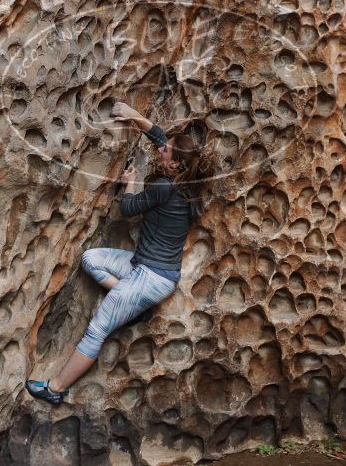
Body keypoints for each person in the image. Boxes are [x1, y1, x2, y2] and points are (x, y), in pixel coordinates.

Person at [25, 101, 215, 405]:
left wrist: (130, 184)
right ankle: (131, 302)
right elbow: (160, 137)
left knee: (97, 329)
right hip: (142, 269)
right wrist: (134, 115)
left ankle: (56, 389)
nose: (162, 149)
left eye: (167, 151)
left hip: (152, 276)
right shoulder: (188, 183)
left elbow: (128, 209)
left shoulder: (164, 187)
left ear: (176, 163)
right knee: (91, 259)